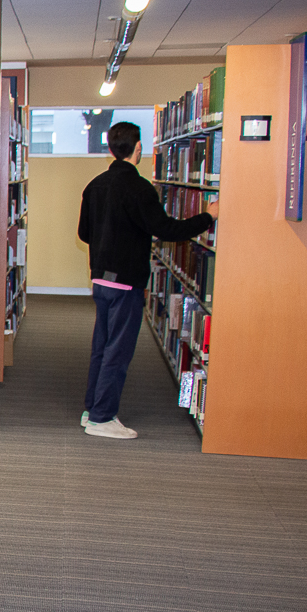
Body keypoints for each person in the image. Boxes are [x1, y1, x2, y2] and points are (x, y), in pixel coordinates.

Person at [79, 121, 217, 439]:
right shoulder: (140, 188)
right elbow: (167, 229)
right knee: (118, 351)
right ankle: (102, 417)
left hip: (101, 280)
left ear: (111, 149)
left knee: (102, 347)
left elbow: (84, 233)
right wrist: (208, 216)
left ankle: (92, 410)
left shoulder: (94, 185)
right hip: (127, 282)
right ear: (138, 148)